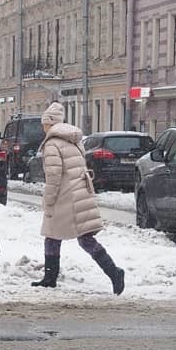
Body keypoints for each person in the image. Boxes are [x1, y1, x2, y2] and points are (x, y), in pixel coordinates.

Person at [30, 102, 125, 295]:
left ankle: (113, 273)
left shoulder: (52, 144)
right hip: (79, 193)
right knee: (79, 238)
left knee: (57, 236)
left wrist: (48, 199)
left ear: (49, 123)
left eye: (44, 124)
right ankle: (112, 272)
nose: (42, 127)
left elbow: (54, 177)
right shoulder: (74, 139)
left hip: (65, 197)